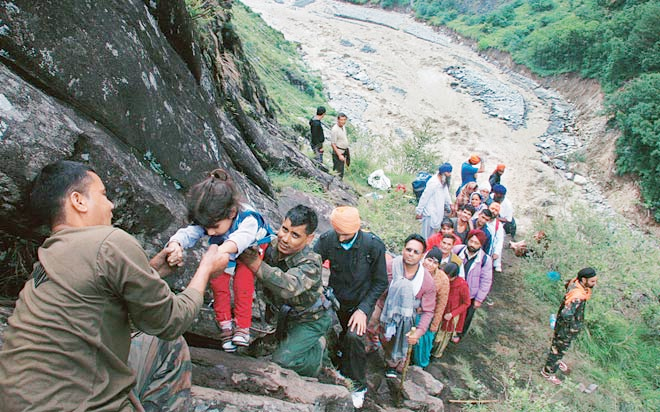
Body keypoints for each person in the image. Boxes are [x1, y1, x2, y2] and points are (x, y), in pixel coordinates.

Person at [0, 161, 228, 411]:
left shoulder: (47, 257)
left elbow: (95, 303)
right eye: (103, 195)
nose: (110, 205)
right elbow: (171, 321)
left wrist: (153, 270)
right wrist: (206, 269)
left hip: (17, 401)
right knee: (169, 344)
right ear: (78, 201)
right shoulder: (109, 241)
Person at [164, 169, 273, 352]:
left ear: (231, 212)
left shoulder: (249, 219)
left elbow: (242, 239)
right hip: (225, 246)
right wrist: (176, 244)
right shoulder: (212, 219)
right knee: (218, 282)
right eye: (207, 228)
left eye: (214, 227)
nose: (210, 232)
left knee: (242, 282)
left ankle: (242, 327)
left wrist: (218, 253)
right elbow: (190, 232)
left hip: (252, 247)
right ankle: (225, 326)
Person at [238, 205, 331, 377]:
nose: (285, 239)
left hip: (308, 320)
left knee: (283, 362)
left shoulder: (311, 262)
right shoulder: (271, 244)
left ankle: (318, 350)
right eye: (284, 229)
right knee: (252, 351)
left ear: (309, 239)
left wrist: (254, 263)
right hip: (282, 318)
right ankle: (295, 343)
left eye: (295, 235)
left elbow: (289, 287)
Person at [314, 206, 388, 408]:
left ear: (356, 230)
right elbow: (311, 263)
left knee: (354, 336)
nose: (341, 238)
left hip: (361, 301)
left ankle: (358, 385)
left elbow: (380, 282)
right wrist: (318, 289)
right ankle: (334, 358)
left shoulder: (373, 246)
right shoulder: (328, 239)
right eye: (338, 233)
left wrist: (364, 310)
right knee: (323, 326)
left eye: (345, 235)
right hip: (336, 298)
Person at [379, 235, 436, 376]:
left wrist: (419, 331)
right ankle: (371, 345)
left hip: (409, 316)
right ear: (403, 249)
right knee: (372, 324)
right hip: (384, 308)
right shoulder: (390, 267)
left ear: (422, 255)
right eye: (408, 249)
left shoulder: (426, 281)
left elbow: (428, 310)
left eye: (416, 252)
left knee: (400, 336)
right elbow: (376, 288)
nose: (411, 254)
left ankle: (394, 361)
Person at [541, 268, 598, 385]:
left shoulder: (575, 284)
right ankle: (548, 372)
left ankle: (555, 362)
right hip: (566, 329)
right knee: (558, 349)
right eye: (592, 281)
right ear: (584, 279)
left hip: (563, 326)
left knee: (558, 346)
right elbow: (566, 314)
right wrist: (572, 324)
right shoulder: (577, 296)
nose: (594, 284)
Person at [452, 229, 493, 340]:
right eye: (471, 241)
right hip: (454, 290)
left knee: (466, 315)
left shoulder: (485, 260)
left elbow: (486, 281)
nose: (472, 245)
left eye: (476, 243)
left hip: (470, 294)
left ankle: (459, 334)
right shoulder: (457, 250)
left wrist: (479, 299)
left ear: (481, 245)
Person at [412, 247, 449, 367]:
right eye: (429, 260)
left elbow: (441, 304)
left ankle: (420, 364)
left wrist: (434, 324)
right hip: (409, 310)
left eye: (435, 262)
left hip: (427, 315)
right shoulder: (414, 269)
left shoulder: (442, 279)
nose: (430, 264)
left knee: (423, 341)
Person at [432, 262, 470, 358]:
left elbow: (466, 303)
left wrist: (452, 314)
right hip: (439, 311)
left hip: (450, 316)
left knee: (444, 336)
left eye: (448, 277)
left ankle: (437, 354)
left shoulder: (462, 285)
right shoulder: (439, 279)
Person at [415, 162, 453, 240]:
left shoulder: (443, 181)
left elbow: (446, 193)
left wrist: (450, 203)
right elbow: (424, 197)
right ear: (443, 173)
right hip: (429, 213)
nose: (449, 174)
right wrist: (419, 211)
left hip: (438, 213)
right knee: (425, 236)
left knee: (433, 237)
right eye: (448, 172)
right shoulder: (433, 182)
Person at [486, 202, 505, 273]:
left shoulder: (498, 225)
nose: (493, 211)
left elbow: (500, 240)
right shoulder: (482, 219)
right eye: (492, 208)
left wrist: (496, 252)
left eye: (496, 210)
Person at [330, 112, 350, 179]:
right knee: (338, 170)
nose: (343, 121)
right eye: (341, 120)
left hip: (344, 151)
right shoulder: (335, 130)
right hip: (338, 153)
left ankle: (339, 183)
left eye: (344, 120)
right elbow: (333, 144)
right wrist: (339, 155)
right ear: (338, 120)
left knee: (342, 169)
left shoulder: (343, 127)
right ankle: (335, 185)